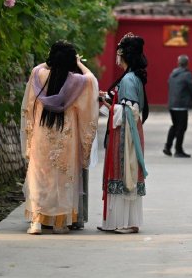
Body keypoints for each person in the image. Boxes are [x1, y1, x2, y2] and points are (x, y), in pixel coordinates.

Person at [20, 40, 98, 234]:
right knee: (63, 177)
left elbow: (29, 104)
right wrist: (78, 62)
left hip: (42, 132)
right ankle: (59, 223)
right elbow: (92, 79)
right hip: (66, 136)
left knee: (40, 174)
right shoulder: (76, 81)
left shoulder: (38, 75)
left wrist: (51, 61)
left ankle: (36, 222)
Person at [99, 33, 149, 234]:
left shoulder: (128, 79)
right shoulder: (132, 77)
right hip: (129, 131)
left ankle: (125, 222)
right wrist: (110, 101)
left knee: (124, 171)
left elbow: (130, 110)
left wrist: (110, 106)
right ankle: (124, 220)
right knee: (126, 171)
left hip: (126, 134)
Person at [164, 54, 192, 158]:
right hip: (181, 105)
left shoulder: (172, 74)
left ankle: (167, 147)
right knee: (182, 127)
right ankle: (178, 150)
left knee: (175, 125)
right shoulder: (187, 75)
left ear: (178, 63)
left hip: (172, 104)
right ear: (187, 63)